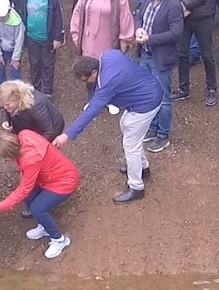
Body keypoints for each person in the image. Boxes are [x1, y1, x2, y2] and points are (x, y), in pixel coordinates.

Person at [56, 51, 164, 203]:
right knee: (126, 126)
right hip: (147, 90)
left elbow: (92, 111)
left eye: (86, 79)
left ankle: (136, 187)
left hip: (146, 103)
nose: (85, 82)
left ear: (94, 71)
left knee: (130, 144)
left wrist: (67, 135)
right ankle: (143, 167)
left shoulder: (107, 82)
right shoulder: (108, 55)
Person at [0, 129, 78, 259]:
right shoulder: (24, 133)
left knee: (37, 208)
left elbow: (24, 189)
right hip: (51, 177)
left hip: (64, 182)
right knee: (29, 197)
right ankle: (44, 225)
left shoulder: (29, 161)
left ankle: (59, 239)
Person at [134, 0, 185, 153]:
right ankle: (153, 129)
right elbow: (139, 17)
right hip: (145, 55)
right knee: (148, 94)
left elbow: (176, 32)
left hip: (160, 59)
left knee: (163, 99)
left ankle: (163, 136)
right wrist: (138, 29)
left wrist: (151, 39)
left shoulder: (173, 5)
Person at [69, 0, 135, 99]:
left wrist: (125, 38)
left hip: (107, 40)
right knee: (89, 69)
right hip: (89, 40)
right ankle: (92, 98)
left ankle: (109, 98)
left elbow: (125, 15)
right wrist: (75, 32)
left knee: (106, 68)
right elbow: (78, 10)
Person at [169, 0, 219, 107]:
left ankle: (211, 88)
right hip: (183, 17)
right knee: (182, 53)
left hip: (203, 15)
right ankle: (183, 89)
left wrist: (186, 4)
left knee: (206, 53)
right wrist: (179, 7)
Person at [19, 0, 64, 96]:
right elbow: (23, 14)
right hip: (31, 37)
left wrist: (57, 37)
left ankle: (47, 91)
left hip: (47, 38)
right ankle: (36, 90)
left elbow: (57, 18)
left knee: (47, 65)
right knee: (34, 64)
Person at [0, 80, 66, 141]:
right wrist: (6, 120)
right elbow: (6, 107)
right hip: (30, 124)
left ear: (18, 98)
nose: (5, 107)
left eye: (7, 104)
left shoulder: (36, 106)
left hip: (51, 129)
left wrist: (33, 145)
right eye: (3, 104)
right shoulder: (11, 98)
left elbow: (49, 132)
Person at [0, 0, 24, 105]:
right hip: (1, 49)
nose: (0, 19)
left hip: (13, 49)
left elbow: (19, 41)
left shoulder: (17, 22)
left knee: (14, 73)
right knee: (0, 72)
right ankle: (1, 97)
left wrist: (16, 58)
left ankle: (16, 97)